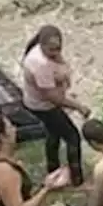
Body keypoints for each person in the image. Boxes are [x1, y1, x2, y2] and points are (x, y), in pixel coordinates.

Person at [20, 25, 88, 187]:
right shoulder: (40, 65)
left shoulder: (41, 51)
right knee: (72, 136)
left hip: (36, 100)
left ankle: (53, 169)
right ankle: (77, 179)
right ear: (42, 45)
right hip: (44, 106)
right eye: (52, 50)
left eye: (59, 48)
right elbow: (54, 98)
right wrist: (79, 107)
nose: (56, 52)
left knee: (53, 133)